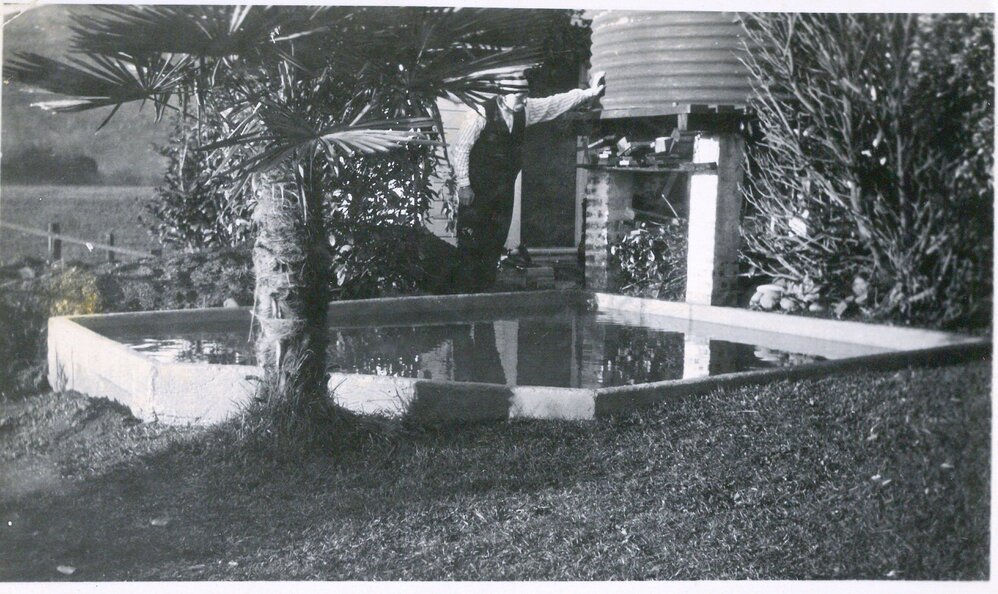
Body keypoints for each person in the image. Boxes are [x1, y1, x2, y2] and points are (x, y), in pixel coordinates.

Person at [448, 70, 606, 292]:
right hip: (476, 191)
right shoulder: (481, 113)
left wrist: (589, 93)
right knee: (471, 246)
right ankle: (464, 301)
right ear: (503, 95)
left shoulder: (526, 109)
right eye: (518, 96)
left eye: (525, 95)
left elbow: (554, 104)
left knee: (494, 244)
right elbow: (462, 149)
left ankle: (485, 300)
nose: (523, 100)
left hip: (502, 191)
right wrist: (464, 184)